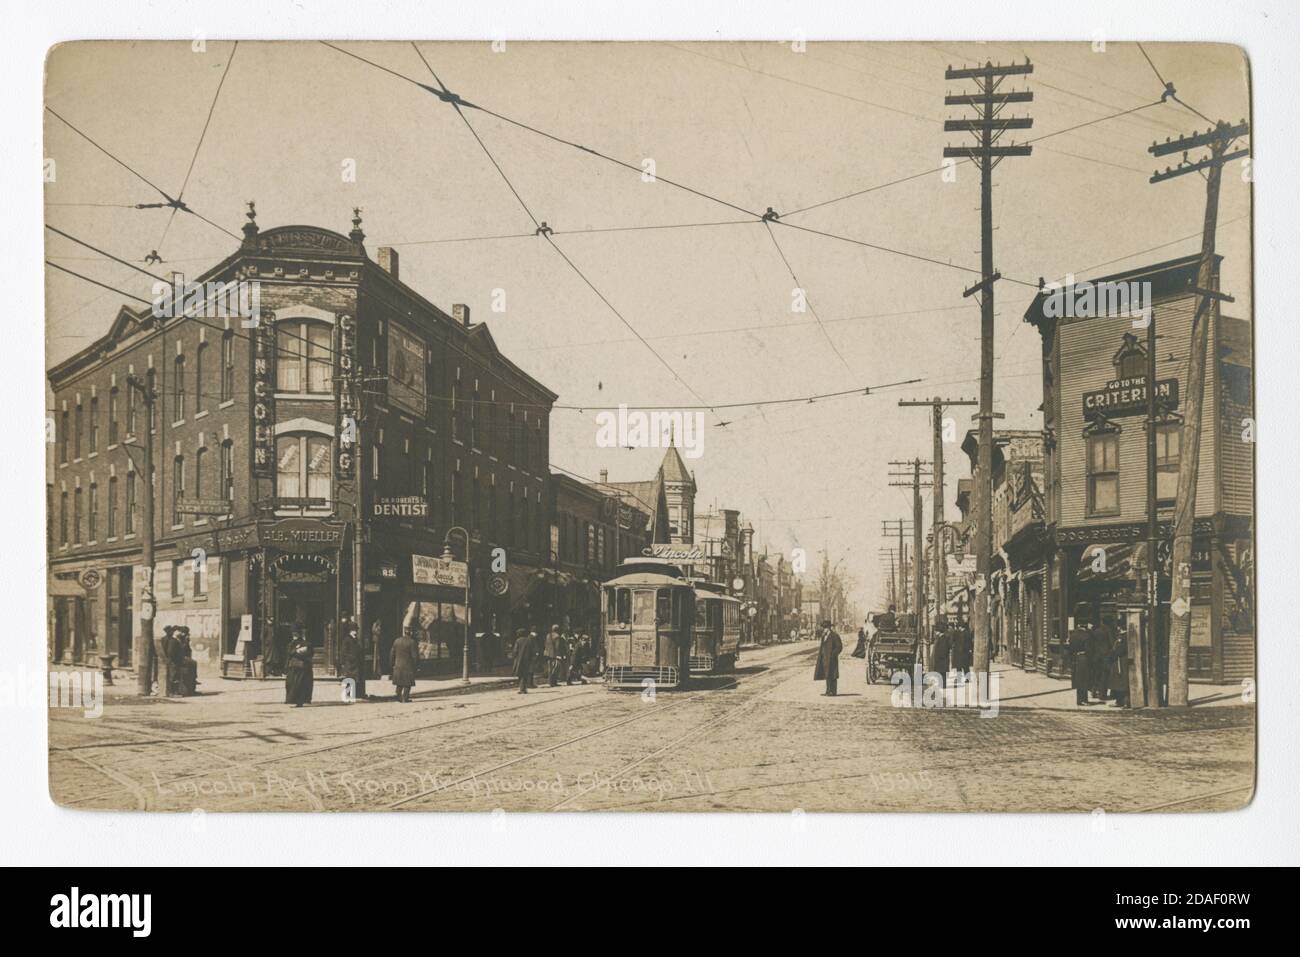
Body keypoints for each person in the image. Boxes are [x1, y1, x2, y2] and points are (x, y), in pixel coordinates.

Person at [284, 626, 314, 707]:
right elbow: (289, 653)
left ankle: (300, 701)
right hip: (293, 667)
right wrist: (297, 651)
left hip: (302, 667)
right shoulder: (291, 643)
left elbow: (309, 653)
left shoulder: (306, 643)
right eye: (293, 634)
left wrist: (298, 651)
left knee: (300, 685)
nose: (294, 636)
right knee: (292, 684)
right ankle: (293, 700)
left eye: (296, 634)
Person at [1068, 610, 1092, 707]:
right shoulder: (1086, 636)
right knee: (1084, 679)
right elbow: (1089, 649)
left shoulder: (1073, 635)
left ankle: (1079, 699)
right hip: (1084, 658)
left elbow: (1070, 648)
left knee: (1079, 680)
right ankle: (1084, 700)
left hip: (1076, 658)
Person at [338, 616, 366, 700]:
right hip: (350, 662)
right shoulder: (347, 640)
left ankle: (357, 694)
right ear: (350, 631)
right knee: (349, 679)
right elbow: (344, 652)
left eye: (356, 630)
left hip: (356, 662)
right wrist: (346, 660)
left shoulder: (356, 639)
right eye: (354, 630)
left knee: (356, 678)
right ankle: (347, 694)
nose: (355, 632)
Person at [813, 620, 842, 696]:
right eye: (823, 628)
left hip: (832, 659)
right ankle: (828, 691)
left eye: (825, 628)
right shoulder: (824, 636)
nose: (824, 629)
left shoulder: (834, 635)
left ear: (829, 628)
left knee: (833, 675)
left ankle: (833, 691)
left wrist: (833, 654)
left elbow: (839, 647)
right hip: (825, 659)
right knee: (827, 675)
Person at [389, 626, 418, 703]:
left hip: (398, 665)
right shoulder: (412, 642)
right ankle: (405, 698)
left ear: (404, 632)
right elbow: (414, 656)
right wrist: (416, 666)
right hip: (408, 666)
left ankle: (398, 696)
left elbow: (392, 654)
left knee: (399, 682)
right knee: (407, 683)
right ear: (411, 633)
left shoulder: (397, 641)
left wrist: (392, 663)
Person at [175, 627, 198, 696]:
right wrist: (186, 641)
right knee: (193, 664)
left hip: (186, 657)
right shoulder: (179, 639)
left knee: (193, 664)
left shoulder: (183, 639)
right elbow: (182, 649)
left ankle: (192, 686)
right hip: (182, 658)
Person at [512, 628, 536, 694]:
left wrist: (514, 657)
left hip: (519, 660)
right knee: (525, 674)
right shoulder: (529, 640)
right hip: (527, 660)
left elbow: (515, 651)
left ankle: (522, 689)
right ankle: (524, 688)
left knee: (520, 674)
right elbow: (532, 650)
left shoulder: (518, 641)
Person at [931, 617, 952, 687]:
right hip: (940, 659)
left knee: (942, 672)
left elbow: (943, 649)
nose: (935, 632)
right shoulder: (941, 638)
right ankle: (942, 684)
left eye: (936, 631)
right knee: (940, 672)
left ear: (939, 631)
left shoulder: (943, 638)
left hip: (942, 659)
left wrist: (939, 656)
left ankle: (943, 684)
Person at [159, 625, 179, 696]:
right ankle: (171, 692)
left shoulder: (174, 641)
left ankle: (172, 692)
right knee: (171, 676)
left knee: (172, 676)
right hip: (168, 661)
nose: (171, 632)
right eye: (170, 631)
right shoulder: (164, 640)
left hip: (171, 660)